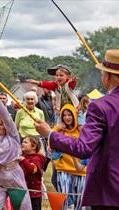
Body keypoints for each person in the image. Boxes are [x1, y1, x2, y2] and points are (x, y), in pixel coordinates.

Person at [35, 49, 119, 209]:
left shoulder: (101, 107)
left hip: (109, 193)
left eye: (102, 72)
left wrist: (50, 134)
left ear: (107, 76)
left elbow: (84, 147)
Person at [19, 136, 46, 210]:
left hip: (34, 195)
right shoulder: (23, 156)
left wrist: (23, 160)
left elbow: (33, 170)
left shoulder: (37, 158)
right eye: (22, 142)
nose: (22, 144)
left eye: (25, 142)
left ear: (33, 146)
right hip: (23, 192)